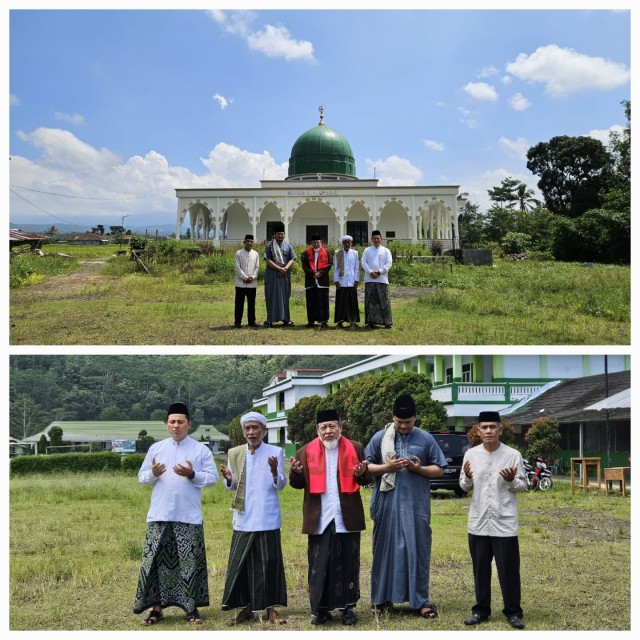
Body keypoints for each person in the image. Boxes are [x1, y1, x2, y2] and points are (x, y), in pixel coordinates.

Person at [133, 402, 218, 626]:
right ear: (166, 424)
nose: (176, 425)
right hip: (159, 516)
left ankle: (191, 608)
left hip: (188, 516)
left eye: (181, 422)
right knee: (156, 563)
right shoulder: (156, 448)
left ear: (189, 424)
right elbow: (141, 477)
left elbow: (213, 479)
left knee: (189, 563)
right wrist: (152, 473)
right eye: (172, 422)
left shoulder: (201, 450)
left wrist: (192, 474)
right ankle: (156, 609)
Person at [364, 394, 447, 619]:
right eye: (399, 422)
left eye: (408, 422)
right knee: (384, 551)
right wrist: (387, 467)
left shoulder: (425, 438)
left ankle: (420, 602)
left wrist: (417, 469)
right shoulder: (380, 438)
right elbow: (365, 468)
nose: (403, 426)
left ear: (415, 419)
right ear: (392, 418)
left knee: (417, 549)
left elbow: (439, 468)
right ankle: (381, 600)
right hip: (386, 505)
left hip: (415, 505)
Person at [289, 409, 372, 626]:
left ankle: (348, 609)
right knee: (319, 565)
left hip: (347, 516)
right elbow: (297, 485)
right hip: (320, 517)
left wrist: (362, 473)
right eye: (323, 427)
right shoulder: (304, 451)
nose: (328, 431)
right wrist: (296, 473)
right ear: (317, 430)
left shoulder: (355, 448)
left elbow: (366, 480)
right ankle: (321, 610)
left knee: (348, 564)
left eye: (332, 426)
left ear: (340, 428)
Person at [460, 411, 527, 629]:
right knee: (480, 569)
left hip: (504, 521)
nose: (488, 431)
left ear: (500, 429)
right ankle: (481, 610)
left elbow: (523, 485)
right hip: (478, 521)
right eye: (484, 427)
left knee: (508, 569)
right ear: (477, 431)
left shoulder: (513, 455)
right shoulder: (470, 455)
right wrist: (468, 477)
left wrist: (510, 480)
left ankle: (513, 612)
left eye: (493, 427)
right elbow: (463, 485)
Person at [220, 411, 288, 625]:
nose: (251, 432)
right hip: (243, 517)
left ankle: (271, 609)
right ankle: (246, 608)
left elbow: (280, 484)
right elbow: (231, 487)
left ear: (263, 430)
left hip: (267, 516)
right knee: (243, 564)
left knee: (269, 562)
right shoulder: (235, 453)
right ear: (243, 431)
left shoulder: (275, 451)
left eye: (255, 428)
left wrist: (275, 471)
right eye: (248, 428)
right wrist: (229, 479)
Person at [263, 222, 296, 327]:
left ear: (284, 234)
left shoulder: (288, 246)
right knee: (271, 297)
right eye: (278, 234)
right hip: (273, 276)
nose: (280, 236)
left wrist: (285, 268)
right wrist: (279, 268)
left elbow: (293, 258)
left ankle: (286, 319)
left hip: (285, 276)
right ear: (274, 235)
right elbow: (267, 260)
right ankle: (270, 320)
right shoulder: (270, 246)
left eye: (282, 234)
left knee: (285, 297)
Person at [361, 230, 393, 329]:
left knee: (384, 301)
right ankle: (371, 322)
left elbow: (389, 263)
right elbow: (363, 262)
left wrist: (379, 272)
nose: (376, 240)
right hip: (370, 279)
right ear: (371, 239)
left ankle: (387, 322)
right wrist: (370, 272)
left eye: (378, 238)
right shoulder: (367, 250)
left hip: (382, 279)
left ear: (381, 239)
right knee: (370, 302)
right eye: (374, 238)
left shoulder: (386, 250)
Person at [301, 234, 333, 329]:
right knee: (311, 302)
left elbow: (329, 264)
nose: (316, 244)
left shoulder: (327, 252)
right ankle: (311, 321)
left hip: (322, 280)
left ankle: (324, 321)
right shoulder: (306, 253)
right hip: (311, 280)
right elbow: (304, 266)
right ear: (311, 243)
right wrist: (312, 273)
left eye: (318, 242)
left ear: (321, 242)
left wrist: (321, 273)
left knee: (323, 302)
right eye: (314, 242)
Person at [333, 235, 360, 328]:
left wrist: (356, 280)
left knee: (352, 303)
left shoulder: (355, 253)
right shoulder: (338, 253)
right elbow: (336, 268)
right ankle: (340, 322)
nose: (347, 244)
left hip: (352, 281)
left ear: (351, 243)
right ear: (342, 244)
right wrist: (336, 281)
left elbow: (356, 268)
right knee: (341, 303)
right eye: (345, 242)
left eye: (349, 242)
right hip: (341, 282)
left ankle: (353, 321)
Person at [234, 234, 260, 328]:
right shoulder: (238, 253)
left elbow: (257, 267)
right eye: (247, 241)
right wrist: (245, 278)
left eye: (251, 241)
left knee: (251, 303)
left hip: (252, 284)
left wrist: (252, 277)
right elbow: (237, 268)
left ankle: (252, 321)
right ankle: (237, 322)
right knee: (239, 303)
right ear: (244, 242)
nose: (249, 243)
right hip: (240, 283)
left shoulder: (255, 254)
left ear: (253, 243)